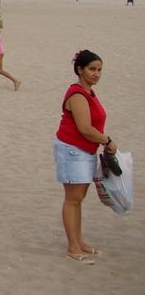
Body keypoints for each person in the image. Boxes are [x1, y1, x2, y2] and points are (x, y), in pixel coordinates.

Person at [54, 50, 118, 265]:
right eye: (92, 69)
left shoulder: (88, 91)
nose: (96, 74)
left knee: (78, 198)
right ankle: (73, 247)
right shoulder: (77, 94)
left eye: (99, 70)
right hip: (73, 149)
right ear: (80, 69)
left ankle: (79, 241)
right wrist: (107, 140)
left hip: (84, 150)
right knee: (73, 199)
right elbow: (84, 128)